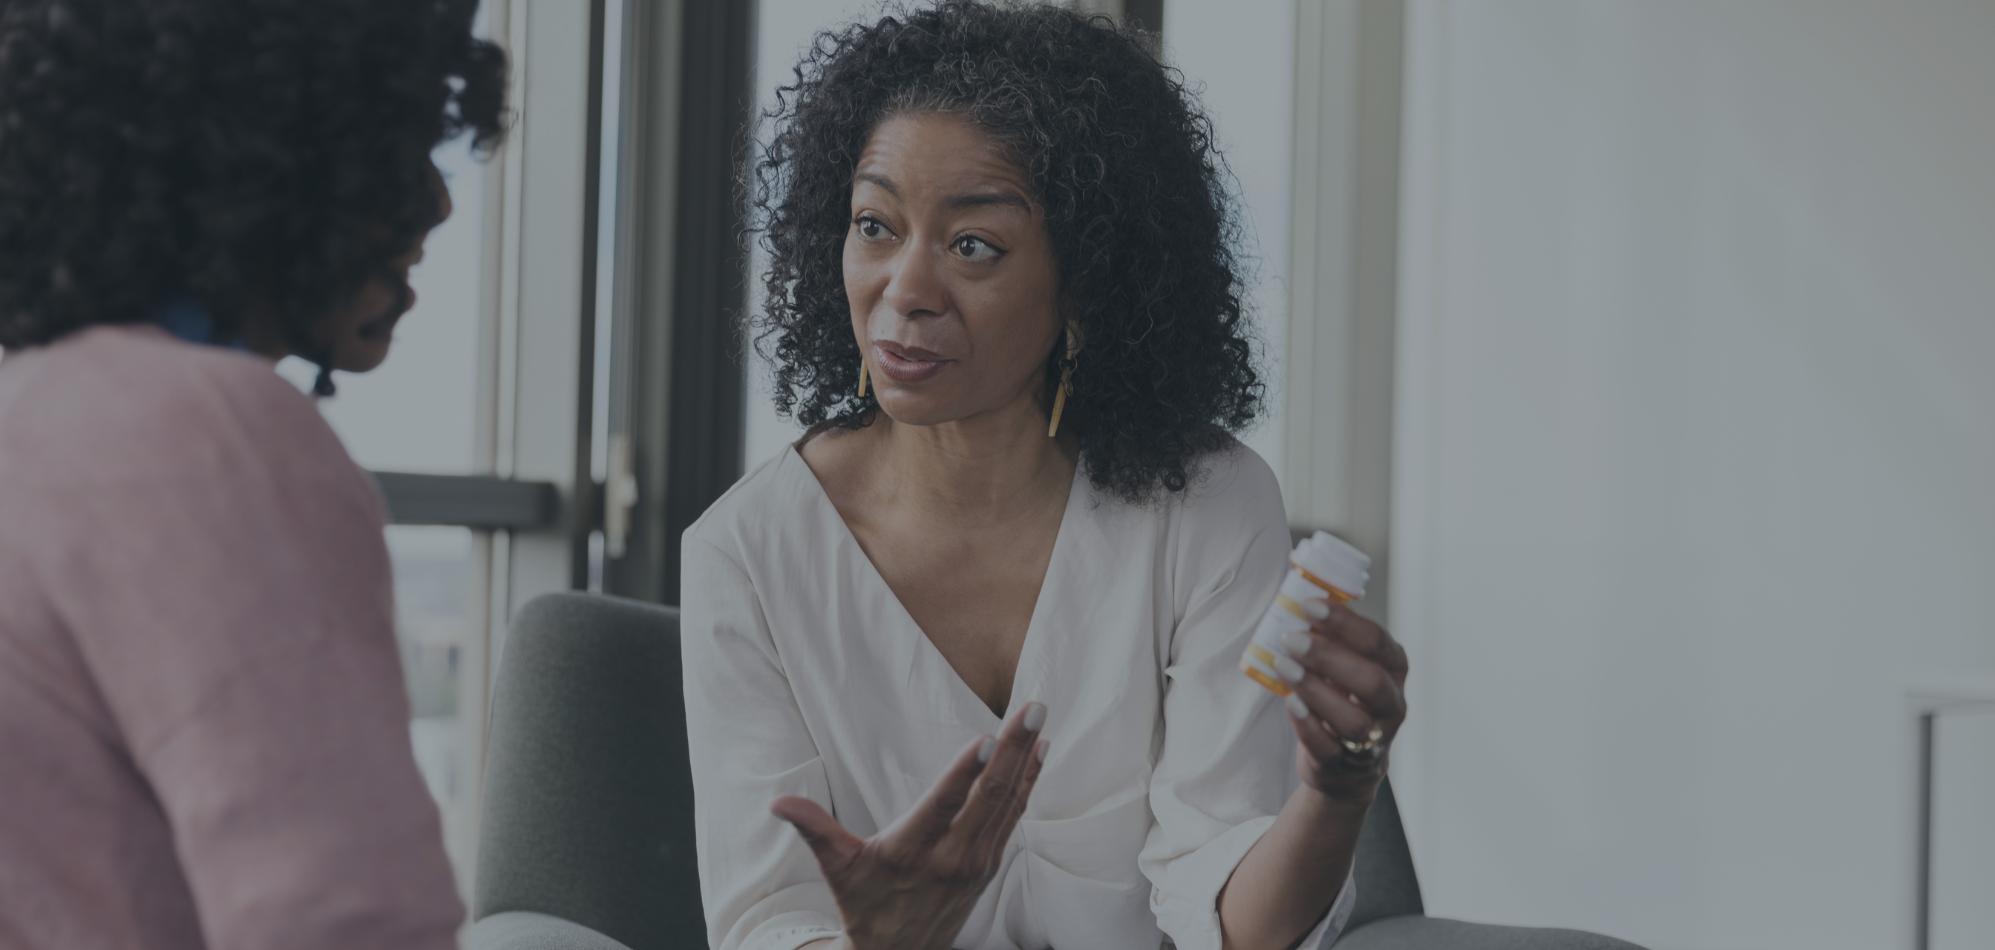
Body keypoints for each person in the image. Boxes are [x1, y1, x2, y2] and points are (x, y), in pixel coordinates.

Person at [681, 4, 1411, 950]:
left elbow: (1234, 922)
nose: (904, 289)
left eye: (972, 244)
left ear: (1085, 279)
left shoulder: (1207, 507)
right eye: (874, 225)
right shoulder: (746, 554)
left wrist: (1335, 794)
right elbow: (766, 922)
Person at [0, 2, 506, 948]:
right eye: (385, 145)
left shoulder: (29, 411)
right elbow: (351, 928)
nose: (438, 202)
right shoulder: (202, 436)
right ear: (260, 154)